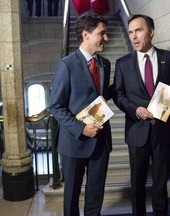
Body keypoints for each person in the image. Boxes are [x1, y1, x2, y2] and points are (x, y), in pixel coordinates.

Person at [113, 14, 170, 215]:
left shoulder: (169, 58)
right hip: (137, 131)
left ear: (151, 32)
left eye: (139, 30)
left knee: (161, 183)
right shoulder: (123, 63)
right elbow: (118, 95)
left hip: (163, 130)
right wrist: (134, 109)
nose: (134, 36)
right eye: (130, 32)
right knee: (137, 183)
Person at [49, 14, 112, 216]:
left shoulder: (105, 64)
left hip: (101, 141)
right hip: (74, 142)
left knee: (96, 196)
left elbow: (99, 97)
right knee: (72, 198)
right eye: (101, 33)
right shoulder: (66, 65)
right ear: (86, 35)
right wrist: (81, 128)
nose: (106, 38)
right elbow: (55, 106)